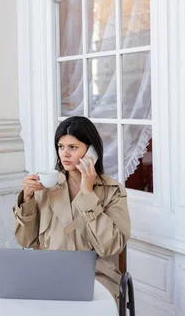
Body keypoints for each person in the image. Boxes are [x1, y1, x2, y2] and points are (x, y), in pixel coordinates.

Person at [13, 116, 131, 300]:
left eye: (73, 147)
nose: (64, 154)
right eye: (61, 147)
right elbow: (25, 241)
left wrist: (87, 193)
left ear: (91, 151)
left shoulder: (112, 191)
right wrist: (27, 199)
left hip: (95, 277)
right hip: (50, 274)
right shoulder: (46, 186)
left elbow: (110, 247)